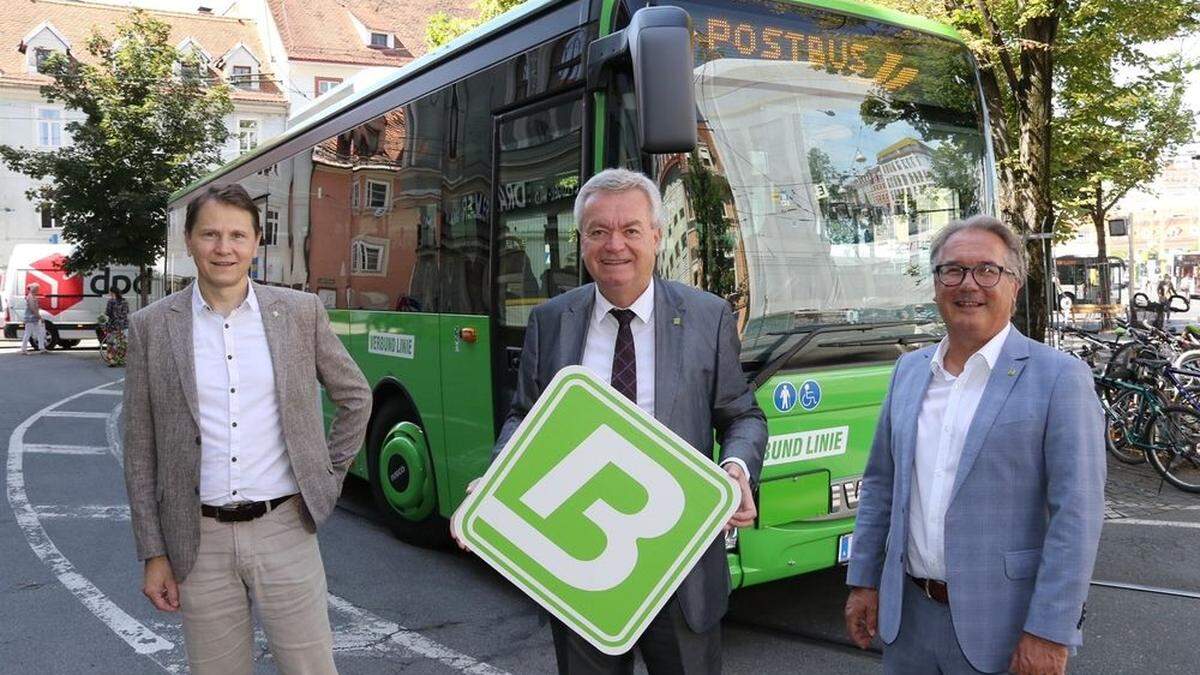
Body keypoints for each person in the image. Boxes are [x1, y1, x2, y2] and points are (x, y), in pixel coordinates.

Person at [458, 168, 766, 674]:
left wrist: (734, 470)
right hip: (582, 566)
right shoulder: (552, 320)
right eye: (598, 231)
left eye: (630, 230)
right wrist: (498, 478)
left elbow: (741, 415)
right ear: (581, 241)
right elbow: (524, 417)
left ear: (658, 237)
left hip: (679, 564)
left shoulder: (707, 317)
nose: (614, 245)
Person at [122, 184, 372, 674]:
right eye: (210, 234)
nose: (224, 247)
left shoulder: (299, 313)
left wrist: (328, 475)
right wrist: (154, 552)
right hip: (196, 540)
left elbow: (356, 397)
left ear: (257, 242)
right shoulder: (152, 326)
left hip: (285, 529)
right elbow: (140, 448)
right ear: (190, 240)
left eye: (237, 235)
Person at [843, 215, 1105, 675]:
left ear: (1015, 285)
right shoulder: (909, 371)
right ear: (935, 283)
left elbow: (1077, 516)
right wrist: (864, 581)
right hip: (908, 621)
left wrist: (1049, 631)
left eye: (987, 270)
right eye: (953, 270)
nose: (969, 285)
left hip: (1005, 627)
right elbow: (881, 486)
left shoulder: (1059, 378)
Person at [102, 289, 131, 366]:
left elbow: (108, 313)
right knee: (123, 343)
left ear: (112, 292)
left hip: (113, 325)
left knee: (111, 343)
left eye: (110, 292)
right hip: (124, 325)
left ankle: (112, 361)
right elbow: (126, 312)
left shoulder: (111, 302)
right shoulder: (125, 301)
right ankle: (122, 360)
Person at [21, 282, 48, 354]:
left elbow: (34, 308)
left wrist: (38, 316)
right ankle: (24, 349)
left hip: (33, 318)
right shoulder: (30, 297)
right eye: (37, 289)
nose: (38, 290)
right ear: (33, 289)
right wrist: (39, 316)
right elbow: (32, 308)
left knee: (39, 332)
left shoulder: (32, 296)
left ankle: (41, 348)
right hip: (31, 318)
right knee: (28, 333)